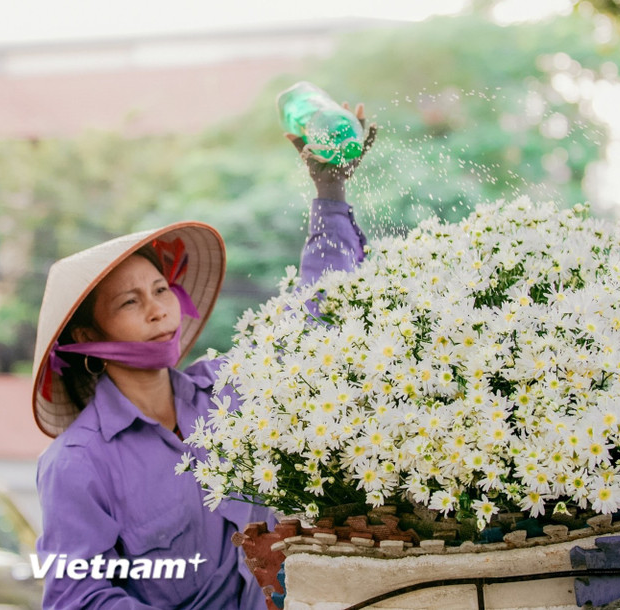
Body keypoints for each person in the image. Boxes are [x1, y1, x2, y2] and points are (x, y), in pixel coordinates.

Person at [31, 105, 377, 609]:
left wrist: (329, 190)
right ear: (87, 334)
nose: (157, 311)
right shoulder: (78, 465)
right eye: (130, 302)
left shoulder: (227, 389)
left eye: (160, 289)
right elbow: (78, 597)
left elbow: (313, 322)